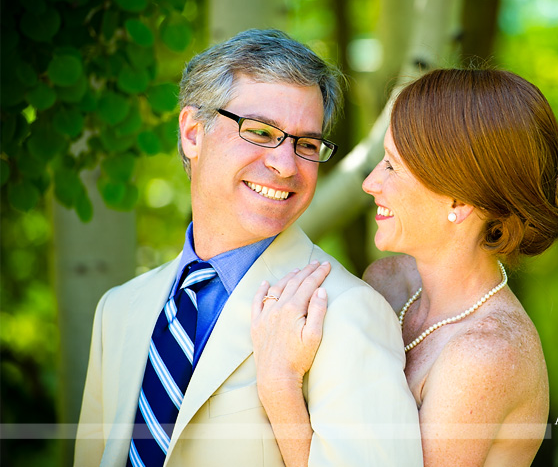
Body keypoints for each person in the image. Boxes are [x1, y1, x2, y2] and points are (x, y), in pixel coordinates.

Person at [74, 29, 423, 467]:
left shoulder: (348, 312)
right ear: (193, 133)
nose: (284, 164)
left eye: (307, 144)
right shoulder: (118, 310)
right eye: (260, 132)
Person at [250, 68, 558, 467]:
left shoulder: (484, 355)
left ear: (459, 201)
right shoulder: (388, 283)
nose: (370, 183)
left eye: (393, 166)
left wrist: (279, 384)